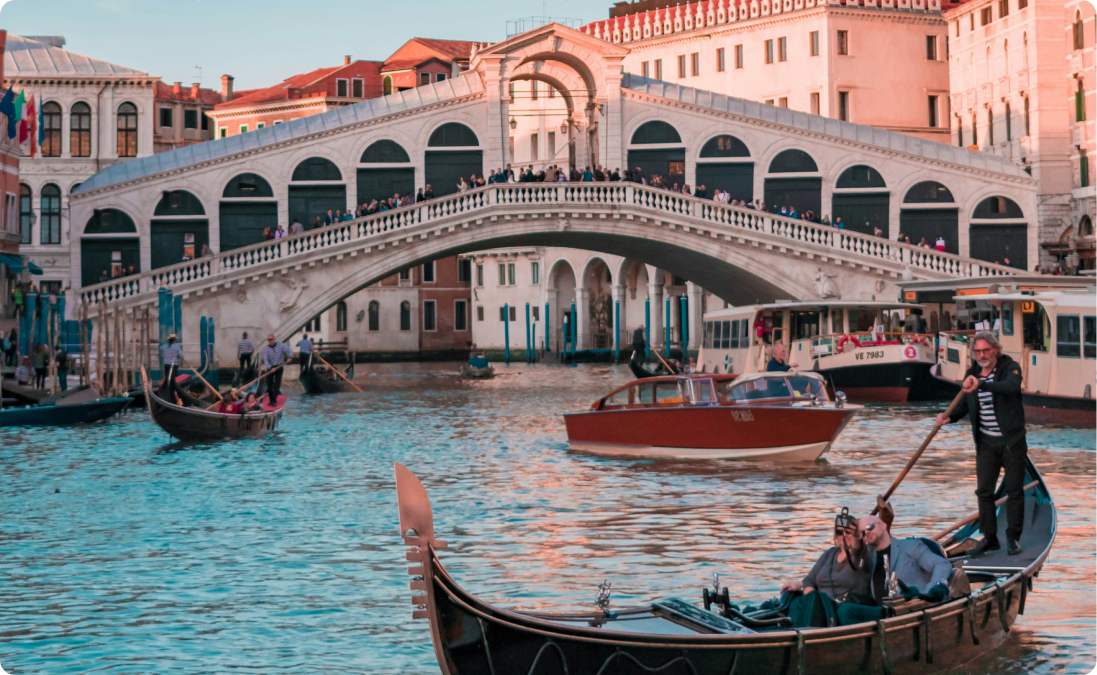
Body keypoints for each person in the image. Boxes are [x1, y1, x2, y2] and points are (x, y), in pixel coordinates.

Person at [935, 331, 1027, 556]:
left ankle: (1013, 537)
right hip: (986, 443)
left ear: (995, 349)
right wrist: (949, 416)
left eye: (986, 350)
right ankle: (989, 538)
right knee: (984, 491)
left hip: (1011, 442)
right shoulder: (972, 374)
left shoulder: (1010, 367)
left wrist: (981, 385)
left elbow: (1010, 387)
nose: (982, 355)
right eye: (977, 351)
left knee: (1015, 491)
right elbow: (965, 402)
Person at [850, 515, 952, 622]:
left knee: (847, 611)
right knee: (843, 609)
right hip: (881, 614)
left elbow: (942, 564)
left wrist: (930, 591)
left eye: (870, 527)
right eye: (862, 532)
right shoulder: (867, 557)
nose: (866, 533)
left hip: (912, 612)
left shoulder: (910, 546)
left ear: (883, 525)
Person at [261, 334, 293, 403]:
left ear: (274, 339)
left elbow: (290, 350)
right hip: (270, 367)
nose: (270, 341)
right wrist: (270, 367)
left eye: (271, 339)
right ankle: (271, 399)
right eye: (268, 340)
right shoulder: (266, 349)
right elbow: (265, 360)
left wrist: (290, 357)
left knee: (277, 384)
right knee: (269, 383)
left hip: (279, 366)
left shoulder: (281, 345)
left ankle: (273, 400)